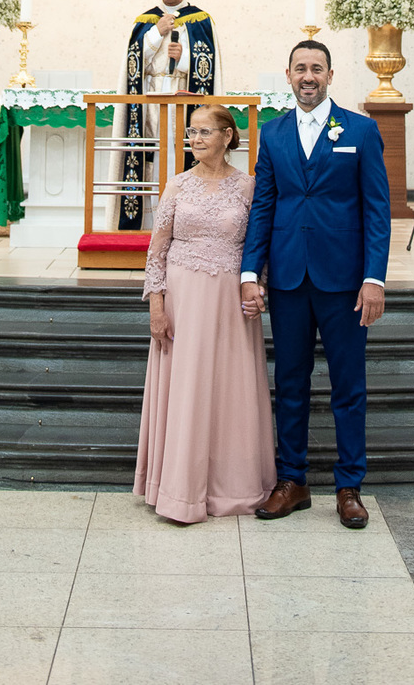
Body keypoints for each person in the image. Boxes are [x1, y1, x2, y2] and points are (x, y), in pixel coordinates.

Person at [240, 39, 391, 530]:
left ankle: (349, 486)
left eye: (317, 69)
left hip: (344, 281)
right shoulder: (272, 133)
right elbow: (264, 205)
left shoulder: (362, 131)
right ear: (288, 75)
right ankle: (292, 481)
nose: (308, 76)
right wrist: (249, 273)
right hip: (287, 278)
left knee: (348, 386)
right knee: (289, 383)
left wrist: (374, 278)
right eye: (300, 68)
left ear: (330, 76)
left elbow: (377, 209)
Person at [136, 103, 275, 522]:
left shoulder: (249, 187)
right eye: (191, 133)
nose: (194, 140)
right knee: (187, 388)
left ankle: (232, 488)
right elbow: (156, 252)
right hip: (183, 298)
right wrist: (156, 306)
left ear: (227, 137)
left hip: (230, 302)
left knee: (230, 389)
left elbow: (259, 248)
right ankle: (179, 490)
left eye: (203, 132)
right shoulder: (177, 185)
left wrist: (259, 287)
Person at [113, 0, 222, 230]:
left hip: (184, 104)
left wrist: (183, 58)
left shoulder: (200, 19)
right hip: (151, 105)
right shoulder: (146, 21)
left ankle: (186, 222)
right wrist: (155, 34)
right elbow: (132, 63)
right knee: (153, 157)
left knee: (183, 155)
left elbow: (208, 65)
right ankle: (150, 223)